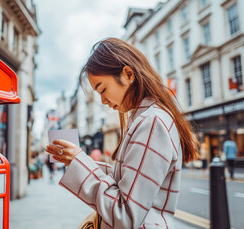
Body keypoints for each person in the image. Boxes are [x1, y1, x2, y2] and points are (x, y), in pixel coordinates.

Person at [46, 38, 199, 229]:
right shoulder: (145, 118)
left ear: (128, 74)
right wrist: (78, 161)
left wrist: (81, 164)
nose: (102, 100)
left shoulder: (152, 122)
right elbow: (128, 177)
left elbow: (125, 215)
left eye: (102, 89)